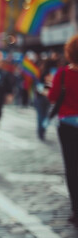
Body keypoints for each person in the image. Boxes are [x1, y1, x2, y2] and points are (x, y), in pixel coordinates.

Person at [47, 34, 78, 227]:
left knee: (72, 167)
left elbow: (52, 97)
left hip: (67, 124)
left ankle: (76, 208)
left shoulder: (63, 73)